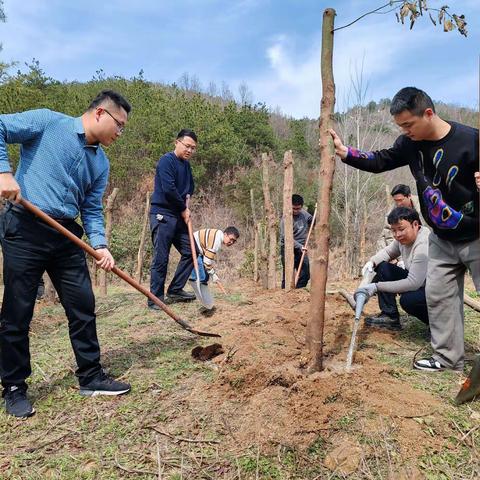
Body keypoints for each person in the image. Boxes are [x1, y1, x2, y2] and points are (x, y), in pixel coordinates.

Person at [0, 90, 132, 418]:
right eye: (120, 125)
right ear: (101, 113)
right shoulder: (48, 122)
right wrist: (3, 172)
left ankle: (91, 376)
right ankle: (14, 386)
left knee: (83, 305)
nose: (120, 133)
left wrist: (99, 244)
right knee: (18, 311)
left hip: (66, 235)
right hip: (25, 227)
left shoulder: (101, 163)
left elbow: (90, 207)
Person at [330, 86, 479, 372]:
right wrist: (346, 153)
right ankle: (448, 359)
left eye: (408, 124)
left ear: (428, 113)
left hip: (476, 235)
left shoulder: (471, 140)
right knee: (439, 297)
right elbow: (380, 160)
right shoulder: (409, 144)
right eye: (400, 126)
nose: (405, 131)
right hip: (440, 237)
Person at [357, 207, 430, 331]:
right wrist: (372, 262)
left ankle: (438, 325)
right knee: (383, 267)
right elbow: (388, 252)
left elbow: (413, 283)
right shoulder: (402, 239)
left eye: (401, 229)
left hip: (435, 290)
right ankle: (389, 316)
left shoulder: (423, 244)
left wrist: (376, 286)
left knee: (408, 301)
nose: (397, 235)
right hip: (419, 283)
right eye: (394, 230)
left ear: (415, 224)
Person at [149, 129, 198, 308]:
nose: (190, 151)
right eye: (187, 146)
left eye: (193, 148)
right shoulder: (166, 161)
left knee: (192, 251)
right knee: (161, 257)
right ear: (176, 142)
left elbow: (190, 187)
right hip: (162, 215)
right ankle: (155, 299)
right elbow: (169, 189)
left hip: (178, 216)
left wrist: (187, 201)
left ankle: (175, 289)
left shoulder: (186, 166)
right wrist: (184, 208)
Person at [189, 226, 240, 312]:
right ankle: (193, 280)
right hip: (191, 245)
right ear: (225, 234)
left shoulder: (218, 236)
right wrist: (213, 275)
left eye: (234, 241)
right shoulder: (216, 241)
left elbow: (207, 259)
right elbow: (207, 262)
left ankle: (198, 282)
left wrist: (212, 274)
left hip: (198, 249)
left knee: (205, 277)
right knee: (201, 276)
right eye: (230, 239)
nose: (231, 242)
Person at [279, 194, 313, 288]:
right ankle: (285, 294)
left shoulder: (304, 214)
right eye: (293, 208)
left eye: (298, 209)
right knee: (288, 275)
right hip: (288, 247)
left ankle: (298, 292)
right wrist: (300, 246)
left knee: (305, 274)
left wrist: (315, 219)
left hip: (302, 247)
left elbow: (312, 219)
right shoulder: (285, 219)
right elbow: (286, 238)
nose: (296, 211)